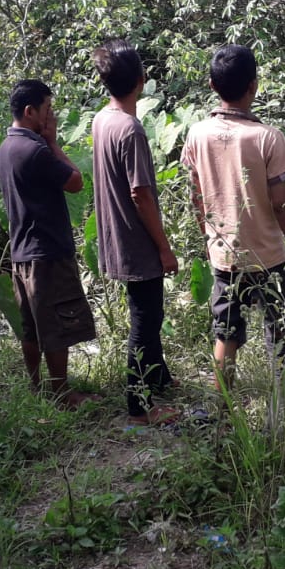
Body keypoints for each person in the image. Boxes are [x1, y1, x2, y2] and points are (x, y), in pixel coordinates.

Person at [180, 44, 285, 391]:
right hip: (269, 257)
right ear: (254, 85)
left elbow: (197, 197)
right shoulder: (268, 138)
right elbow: (282, 205)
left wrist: (209, 239)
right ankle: (284, 408)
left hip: (224, 254)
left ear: (212, 85)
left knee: (225, 332)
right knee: (281, 333)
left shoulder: (197, 134)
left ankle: (222, 408)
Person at [90, 39, 181, 426]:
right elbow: (140, 194)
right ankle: (139, 406)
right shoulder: (130, 130)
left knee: (148, 313)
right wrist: (164, 248)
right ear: (141, 80)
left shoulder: (101, 119)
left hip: (116, 237)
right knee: (145, 321)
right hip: (136, 241)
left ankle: (159, 378)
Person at [0, 79, 100, 408]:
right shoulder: (36, 150)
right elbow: (75, 181)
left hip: (21, 251)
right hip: (47, 251)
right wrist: (53, 142)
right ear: (30, 112)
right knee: (56, 323)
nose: (51, 116)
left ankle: (36, 385)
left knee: (30, 325)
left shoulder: (6, 147)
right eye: (47, 109)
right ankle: (61, 392)